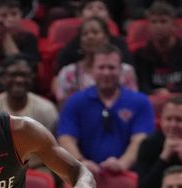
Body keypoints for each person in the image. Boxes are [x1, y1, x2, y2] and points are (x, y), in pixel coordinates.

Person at [58, 45, 155, 177]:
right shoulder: (75, 102)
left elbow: (140, 139)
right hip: (84, 177)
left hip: (129, 175)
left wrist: (122, 164)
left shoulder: (140, 102)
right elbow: (66, 138)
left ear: (121, 70)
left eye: (111, 67)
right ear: (92, 70)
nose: (106, 73)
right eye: (101, 67)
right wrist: (81, 163)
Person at [53, 17, 137, 106]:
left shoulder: (126, 71)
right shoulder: (68, 72)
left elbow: (133, 105)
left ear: (106, 38)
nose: (90, 36)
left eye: (95, 32)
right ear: (80, 41)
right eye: (85, 34)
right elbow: (64, 108)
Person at [134, 1, 182, 95]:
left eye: (163, 21)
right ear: (148, 27)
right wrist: (156, 93)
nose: (158, 26)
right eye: (154, 22)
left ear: (174, 26)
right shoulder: (141, 54)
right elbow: (142, 84)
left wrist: (169, 92)